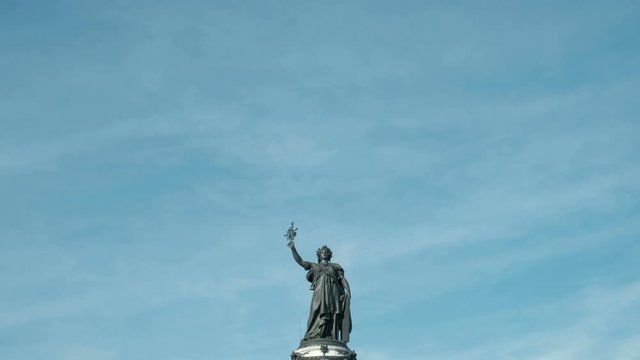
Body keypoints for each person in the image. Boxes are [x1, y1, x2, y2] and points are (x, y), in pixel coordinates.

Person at [288, 241, 352, 343]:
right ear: (319, 255)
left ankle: (333, 337)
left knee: (333, 313)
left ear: (330, 255)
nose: (325, 253)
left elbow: (343, 280)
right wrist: (293, 249)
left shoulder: (335, 267)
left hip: (334, 293)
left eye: (327, 252)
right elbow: (300, 261)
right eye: (323, 252)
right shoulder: (314, 266)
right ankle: (312, 334)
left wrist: (348, 290)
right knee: (315, 311)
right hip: (319, 294)